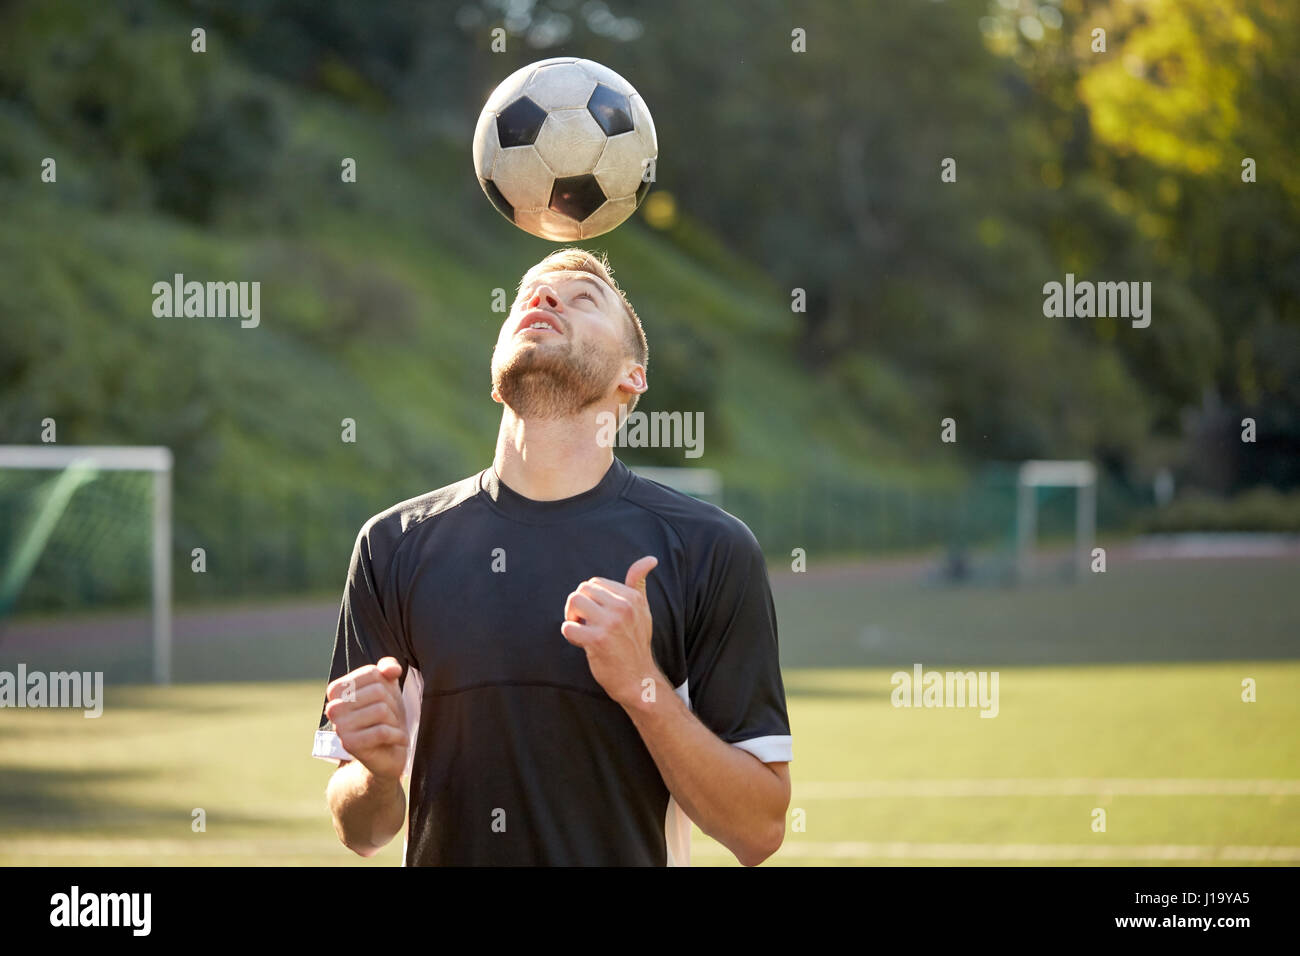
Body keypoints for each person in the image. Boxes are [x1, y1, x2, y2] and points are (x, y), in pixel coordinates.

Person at [312, 248, 792, 866]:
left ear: (632, 377)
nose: (543, 299)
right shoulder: (393, 544)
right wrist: (376, 776)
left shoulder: (711, 549)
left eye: (583, 298)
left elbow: (758, 833)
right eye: (528, 296)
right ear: (496, 372)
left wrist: (642, 686)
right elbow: (362, 832)